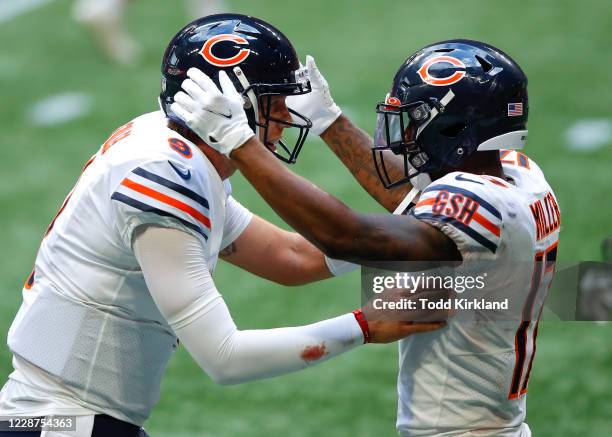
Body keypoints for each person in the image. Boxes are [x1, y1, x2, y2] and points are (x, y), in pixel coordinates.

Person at [0, 15, 448, 437]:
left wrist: (396, 234)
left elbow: (291, 258)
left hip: (71, 417)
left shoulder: (178, 153)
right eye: (273, 103)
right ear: (227, 102)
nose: (287, 118)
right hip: (61, 420)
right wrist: (365, 325)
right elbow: (225, 358)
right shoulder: (166, 172)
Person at [170, 39, 562, 436]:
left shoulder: (479, 203)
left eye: (415, 119)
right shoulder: (524, 179)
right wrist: (329, 122)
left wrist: (240, 142)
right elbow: (415, 200)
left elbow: (347, 236)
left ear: (456, 126)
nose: (404, 133)